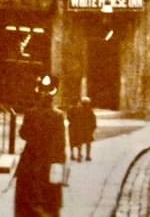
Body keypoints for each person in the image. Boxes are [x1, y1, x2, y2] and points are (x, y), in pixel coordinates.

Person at [15, 74, 66, 217]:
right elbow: (60, 144)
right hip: (49, 163)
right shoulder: (58, 116)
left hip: (29, 163)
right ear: (53, 96)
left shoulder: (30, 113)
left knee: (27, 201)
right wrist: (60, 164)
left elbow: (23, 134)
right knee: (49, 202)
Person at [76, 97, 97, 161]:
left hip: (81, 129)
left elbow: (76, 120)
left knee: (80, 143)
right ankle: (87, 156)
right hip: (87, 129)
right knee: (88, 143)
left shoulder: (79, 110)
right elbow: (93, 120)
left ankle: (79, 155)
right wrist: (93, 128)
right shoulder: (90, 111)